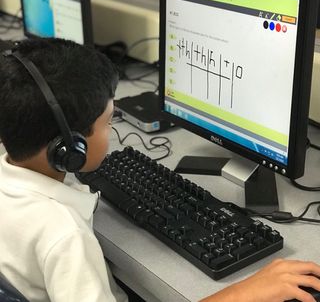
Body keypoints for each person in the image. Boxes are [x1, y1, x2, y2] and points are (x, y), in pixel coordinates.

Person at [0, 38, 319, 302]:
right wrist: (241, 293)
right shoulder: (63, 237)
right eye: (108, 122)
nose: (112, 129)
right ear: (69, 150)